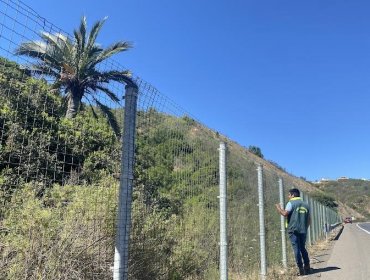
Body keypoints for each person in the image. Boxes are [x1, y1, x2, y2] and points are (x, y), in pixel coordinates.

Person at [275, 188, 311, 276]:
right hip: (303, 230)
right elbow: (309, 219)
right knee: (303, 248)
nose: (288, 197)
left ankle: (300, 268)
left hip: (293, 230)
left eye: (289, 195)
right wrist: (305, 228)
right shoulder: (306, 204)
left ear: (293, 195)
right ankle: (307, 266)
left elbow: (285, 214)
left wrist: (278, 207)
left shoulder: (291, 203)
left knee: (296, 249)